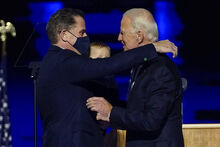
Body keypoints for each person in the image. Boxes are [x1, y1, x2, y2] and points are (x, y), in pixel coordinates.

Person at [36, 8, 178, 147]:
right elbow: (108, 65)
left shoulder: (159, 68)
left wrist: (111, 113)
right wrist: (152, 48)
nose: (86, 37)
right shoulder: (61, 61)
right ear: (65, 35)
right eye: (82, 32)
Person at [87, 8, 184, 147]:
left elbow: (151, 120)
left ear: (139, 36)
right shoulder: (143, 65)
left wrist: (111, 112)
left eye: (122, 33)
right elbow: (139, 110)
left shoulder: (161, 69)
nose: (119, 38)